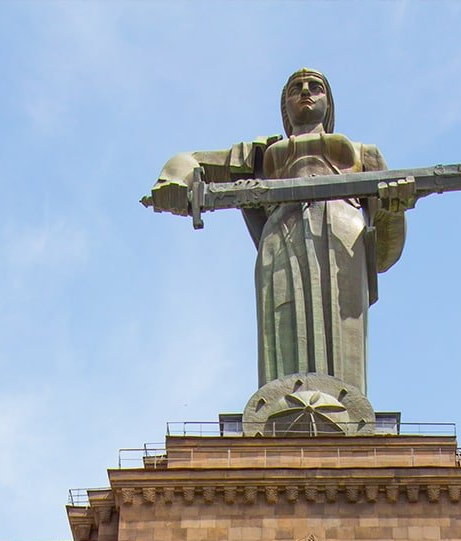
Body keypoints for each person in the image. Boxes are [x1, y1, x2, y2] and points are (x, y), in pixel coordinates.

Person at [147, 70, 414, 395]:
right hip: (282, 237)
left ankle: (347, 413)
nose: (305, 92)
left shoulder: (363, 155)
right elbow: (189, 160)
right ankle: (281, 408)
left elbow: (385, 253)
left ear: (329, 105)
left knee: (344, 330)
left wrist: (394, 209)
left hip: (344, 235)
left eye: (316, 88)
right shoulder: (259, 154)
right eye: (295, 89)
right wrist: (173, 181)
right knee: (284, 326)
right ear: (283, 106)